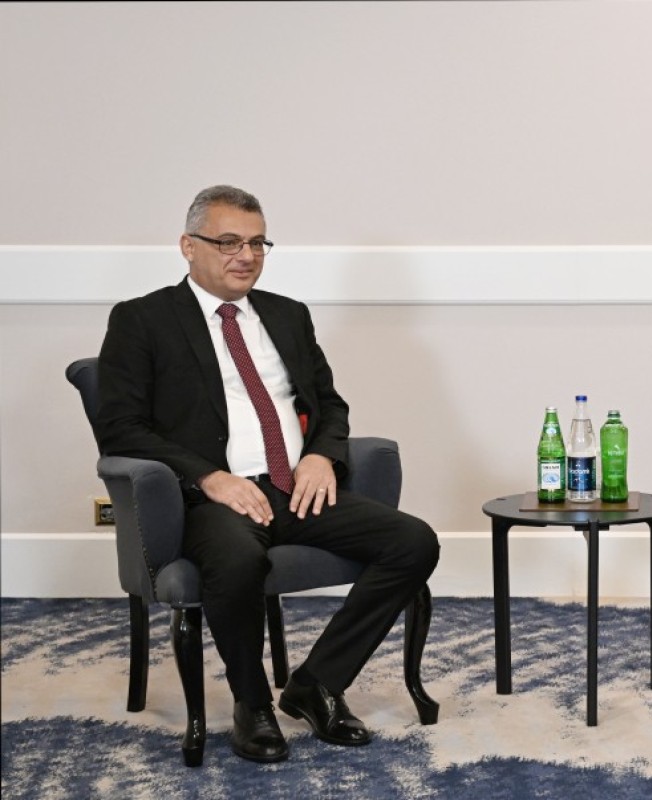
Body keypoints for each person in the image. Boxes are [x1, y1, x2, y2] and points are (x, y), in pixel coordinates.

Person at [96, 185, 440, 763]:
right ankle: (252, 705)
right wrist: (209, 478)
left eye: (258, 243)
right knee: (237, 559)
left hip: (291, 486)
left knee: (413, 542)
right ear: (188, 246)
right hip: (212, 500)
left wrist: (321, 456)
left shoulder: (287, 314)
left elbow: (330, 405)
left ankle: (316, 684)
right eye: (229, 242)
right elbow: (121, 428)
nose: (247, 255)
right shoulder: (142, 319)